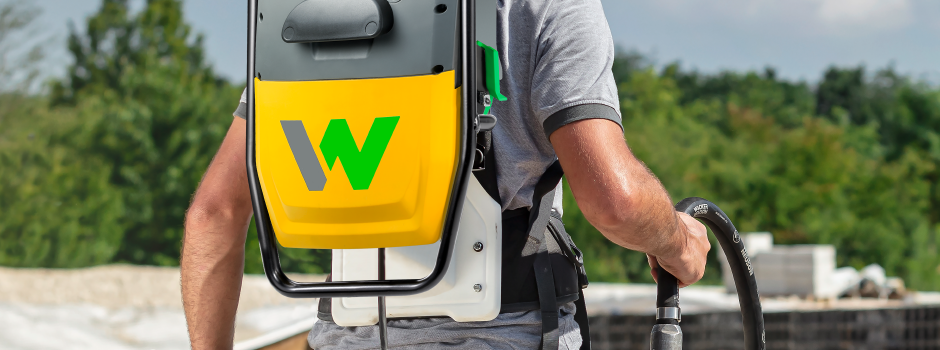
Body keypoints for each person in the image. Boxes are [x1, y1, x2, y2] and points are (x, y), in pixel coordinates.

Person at [179, 0, 710, 349]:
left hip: (346, 332)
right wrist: (675, 241)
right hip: (507, 331)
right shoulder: (542, 5)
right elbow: (614, 201)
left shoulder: (310, 15)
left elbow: (216, 212)